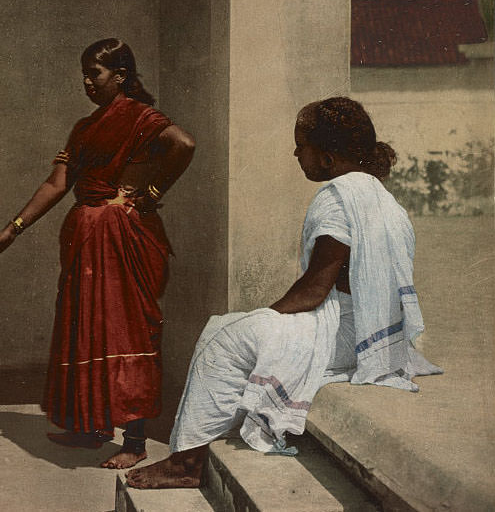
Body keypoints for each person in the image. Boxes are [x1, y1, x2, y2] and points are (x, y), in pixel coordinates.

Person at [125, 96, 443, 490]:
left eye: (301, 145)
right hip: (373, 334)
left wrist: (265, 316)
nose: (296, 152)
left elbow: (313, 290)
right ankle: (194, 450)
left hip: (343, 335)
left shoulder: (340, 196)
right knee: (235, 329)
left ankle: (186, 462)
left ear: (326, 158)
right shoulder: (382, 198)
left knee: (225, 335)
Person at [0, 38, 196, 470]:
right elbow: (56, 184)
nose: (86, 82)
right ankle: (89, 427)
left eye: (94, 74)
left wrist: (149, 193)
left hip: (122, 235)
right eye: (83, 74)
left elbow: (184, 144)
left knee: (125, 330)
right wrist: (14, 228)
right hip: (86, 237)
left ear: (120, 77)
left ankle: (135, 441)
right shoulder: (84, 128)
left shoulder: (141, 117)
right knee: (85, 327)